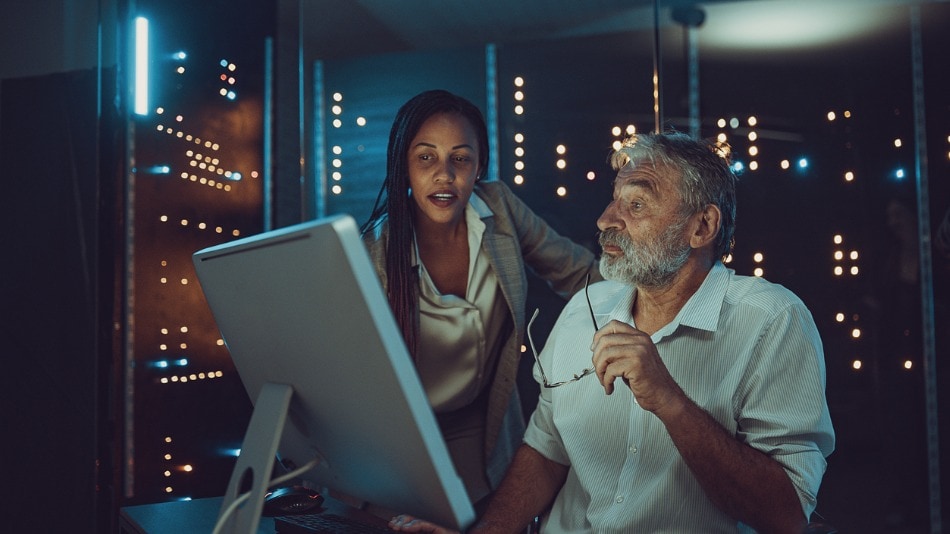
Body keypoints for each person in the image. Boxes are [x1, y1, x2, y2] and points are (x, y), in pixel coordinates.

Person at [388, 132, 835, 533]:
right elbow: (546, 450)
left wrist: (668, 400)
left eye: (635, 204)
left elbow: (787, 516)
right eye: (614, 200)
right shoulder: (586, 309)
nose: (606, 219)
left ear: (702, 226)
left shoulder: (772, 320)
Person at [360, 89, 600, 511]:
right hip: (401, 451)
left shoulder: (499, 209)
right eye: (425, 157)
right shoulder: (371, 254)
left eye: (461, 158)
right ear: (403, 166)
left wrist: (666, 289)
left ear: (479, 166)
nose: (444, 175)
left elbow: (580, 273)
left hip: (488, 435)